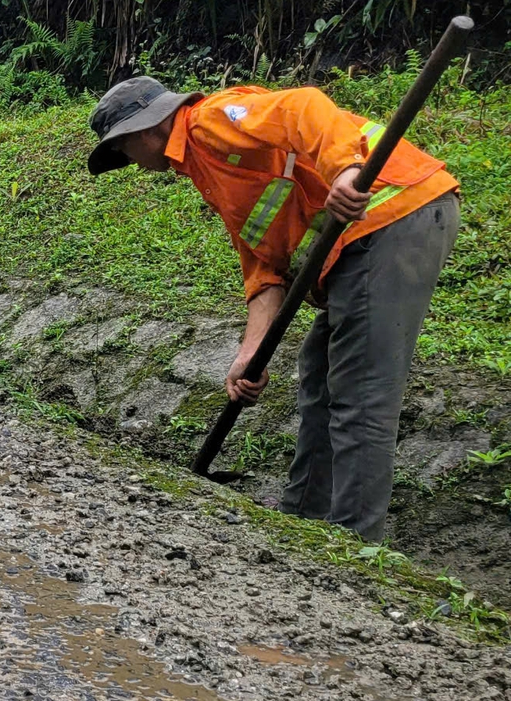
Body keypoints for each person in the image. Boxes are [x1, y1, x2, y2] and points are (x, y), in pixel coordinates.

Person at [88, 77, 460, 540]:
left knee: (361, 388)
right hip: (365, 239)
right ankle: (302, 518)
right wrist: (250, 353)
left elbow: (304, 106)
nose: (130, 164)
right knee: (320, 371)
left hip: (395, 214)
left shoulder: (209, 122)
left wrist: (344, 170)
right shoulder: (207, 166)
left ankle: (353, 543)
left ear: (144, 131)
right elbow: (264, 264)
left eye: (122, 151)